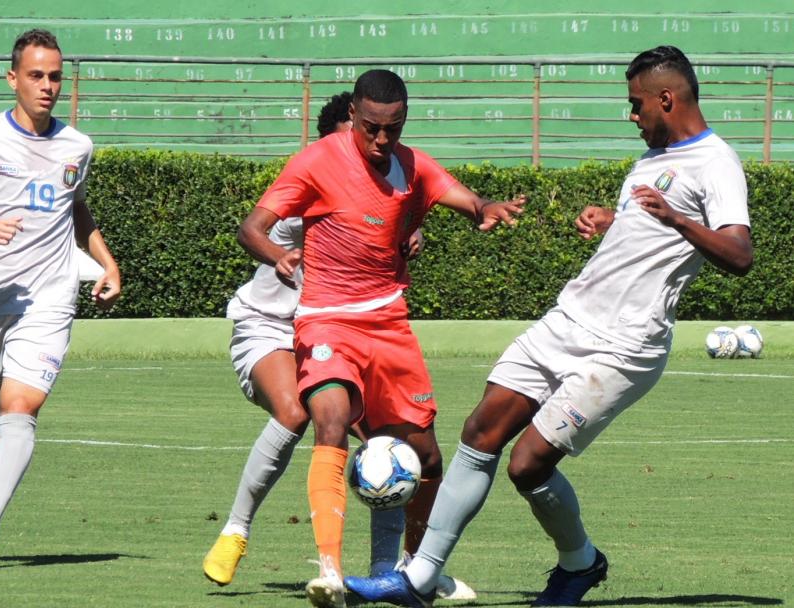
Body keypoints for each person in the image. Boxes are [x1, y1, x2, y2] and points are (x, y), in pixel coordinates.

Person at [344, 45, 753, 608]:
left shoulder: (717, 162)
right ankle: (417, 579)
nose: (631, 115)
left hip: (625, 346)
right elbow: (648, 234)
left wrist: (676, 218)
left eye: (636, 104)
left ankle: (580, 564)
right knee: (480, 430)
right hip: (570, 319)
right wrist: (614, 221)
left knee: (527, 464)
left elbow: (739, 254)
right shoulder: (653, 158)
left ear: (666, 98)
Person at [238, 69, 526, 608]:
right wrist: (278, 255)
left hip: (388, 324)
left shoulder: (412, 164)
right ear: (353, 115)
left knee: (427, 459)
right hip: (326, 319)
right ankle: (328, 569)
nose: (381, 138)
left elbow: (463, 199)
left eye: (392, 128)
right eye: (371, 127)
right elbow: (251, 227)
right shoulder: (316, 161)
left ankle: (415, 573)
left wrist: (487, 208)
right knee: (330, 419)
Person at [204, 92, 472, 601]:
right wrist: (281, 254)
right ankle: (236, 530)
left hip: (341, 329)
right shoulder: (310, 180)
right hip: (271, 325)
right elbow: (256, 229)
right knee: (295, 412)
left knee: (387, 447)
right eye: (358, 137)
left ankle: (391, 571)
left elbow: (397, 212)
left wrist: (410, 232)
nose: (371, 149)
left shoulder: (383, 177)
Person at [0, 29, 121, 566]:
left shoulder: (77, 146)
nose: (48, 86)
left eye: (55, 76)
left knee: (22, 406)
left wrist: (107, 262)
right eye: (36, 75)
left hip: (49, 298)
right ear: (13, 78)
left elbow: (75, 210)